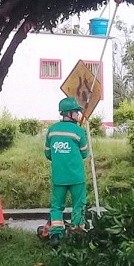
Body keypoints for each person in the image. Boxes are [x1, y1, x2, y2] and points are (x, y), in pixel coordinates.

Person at [44, 97, 89, 246]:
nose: (78, 115)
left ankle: (56, 235)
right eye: (76, 112)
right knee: (79, 205)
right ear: (69, 113)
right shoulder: (78, 131)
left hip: (59, 177)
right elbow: (84, 154)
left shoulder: (51, 131)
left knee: (57, 206)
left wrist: (60, 157)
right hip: (77, 177)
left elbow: (48, 154)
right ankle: (77, 233)